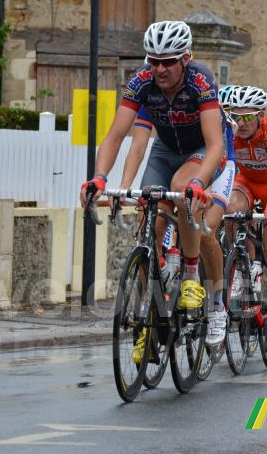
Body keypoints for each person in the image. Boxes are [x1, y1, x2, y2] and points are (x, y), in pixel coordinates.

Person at [79, 20, 225, 361]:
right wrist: (99, 177)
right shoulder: (141, 81)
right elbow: (116, 136)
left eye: (168, 61)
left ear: (185, 58)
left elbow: (216, 143)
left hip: (199, 151)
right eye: (153, 60)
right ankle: (148, 313)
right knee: (148, 214)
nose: (159, 68)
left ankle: (190, 273)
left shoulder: (200, 80)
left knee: (180, 189)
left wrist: (198, 182)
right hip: (165, 151)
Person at [119, 85, 239, 347]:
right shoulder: (152, 96)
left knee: (205, 227)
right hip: (172, 159)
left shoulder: (201, 96)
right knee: (149, 217)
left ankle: (217, 304)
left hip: (212, 160)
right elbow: (138, 145)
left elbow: (213, 154)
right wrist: (124, 187)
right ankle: (151, 301)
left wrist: (200, 190)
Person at [225, 85, 267, 349]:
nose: (240, 122)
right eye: (234, 115)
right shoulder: (228, 132)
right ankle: (242, 264)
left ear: (260, 115)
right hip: (246, 184)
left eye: (247, 116)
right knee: (231, 209)